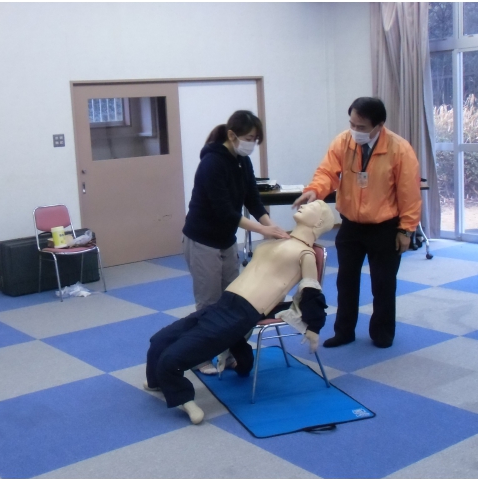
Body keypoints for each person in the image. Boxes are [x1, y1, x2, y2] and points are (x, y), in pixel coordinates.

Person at [146, 200, 334, 424]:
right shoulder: (275, 242)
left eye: (312, 206)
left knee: (172, 359)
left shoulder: (305, 253)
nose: (304, 205)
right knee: (159, 340)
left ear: (319, 222)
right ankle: (157, 382)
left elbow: (311, 291)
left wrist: (314, 327)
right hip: (224, 303)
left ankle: (184, 399)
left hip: (242, 313)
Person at [293, 97, 421, 349]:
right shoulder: (343, 141)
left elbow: (409, 194)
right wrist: (315, 191)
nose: (354, 130)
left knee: (383, 283)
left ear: (379, 125)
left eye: (361, 127)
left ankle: (382, 332)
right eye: (352, 123)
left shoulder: (399, 149)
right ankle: (344, 331)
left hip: (385, 226)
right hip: (351, 224)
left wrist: (407, 230)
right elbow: (327, 173)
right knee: (345, 282)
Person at [182, 110, 290, 374]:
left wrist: (271, 226)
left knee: (231, 301)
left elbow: (252, 199)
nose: (252, 143)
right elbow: (226, 212)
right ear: (232, 135)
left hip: (226, 240)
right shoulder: (211, 163)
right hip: (202, 240)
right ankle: (200, 357)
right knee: (208, 303)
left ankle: (228, 354)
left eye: (255, 139)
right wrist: (264, 230)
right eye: (249, 138)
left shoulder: (243, 161)